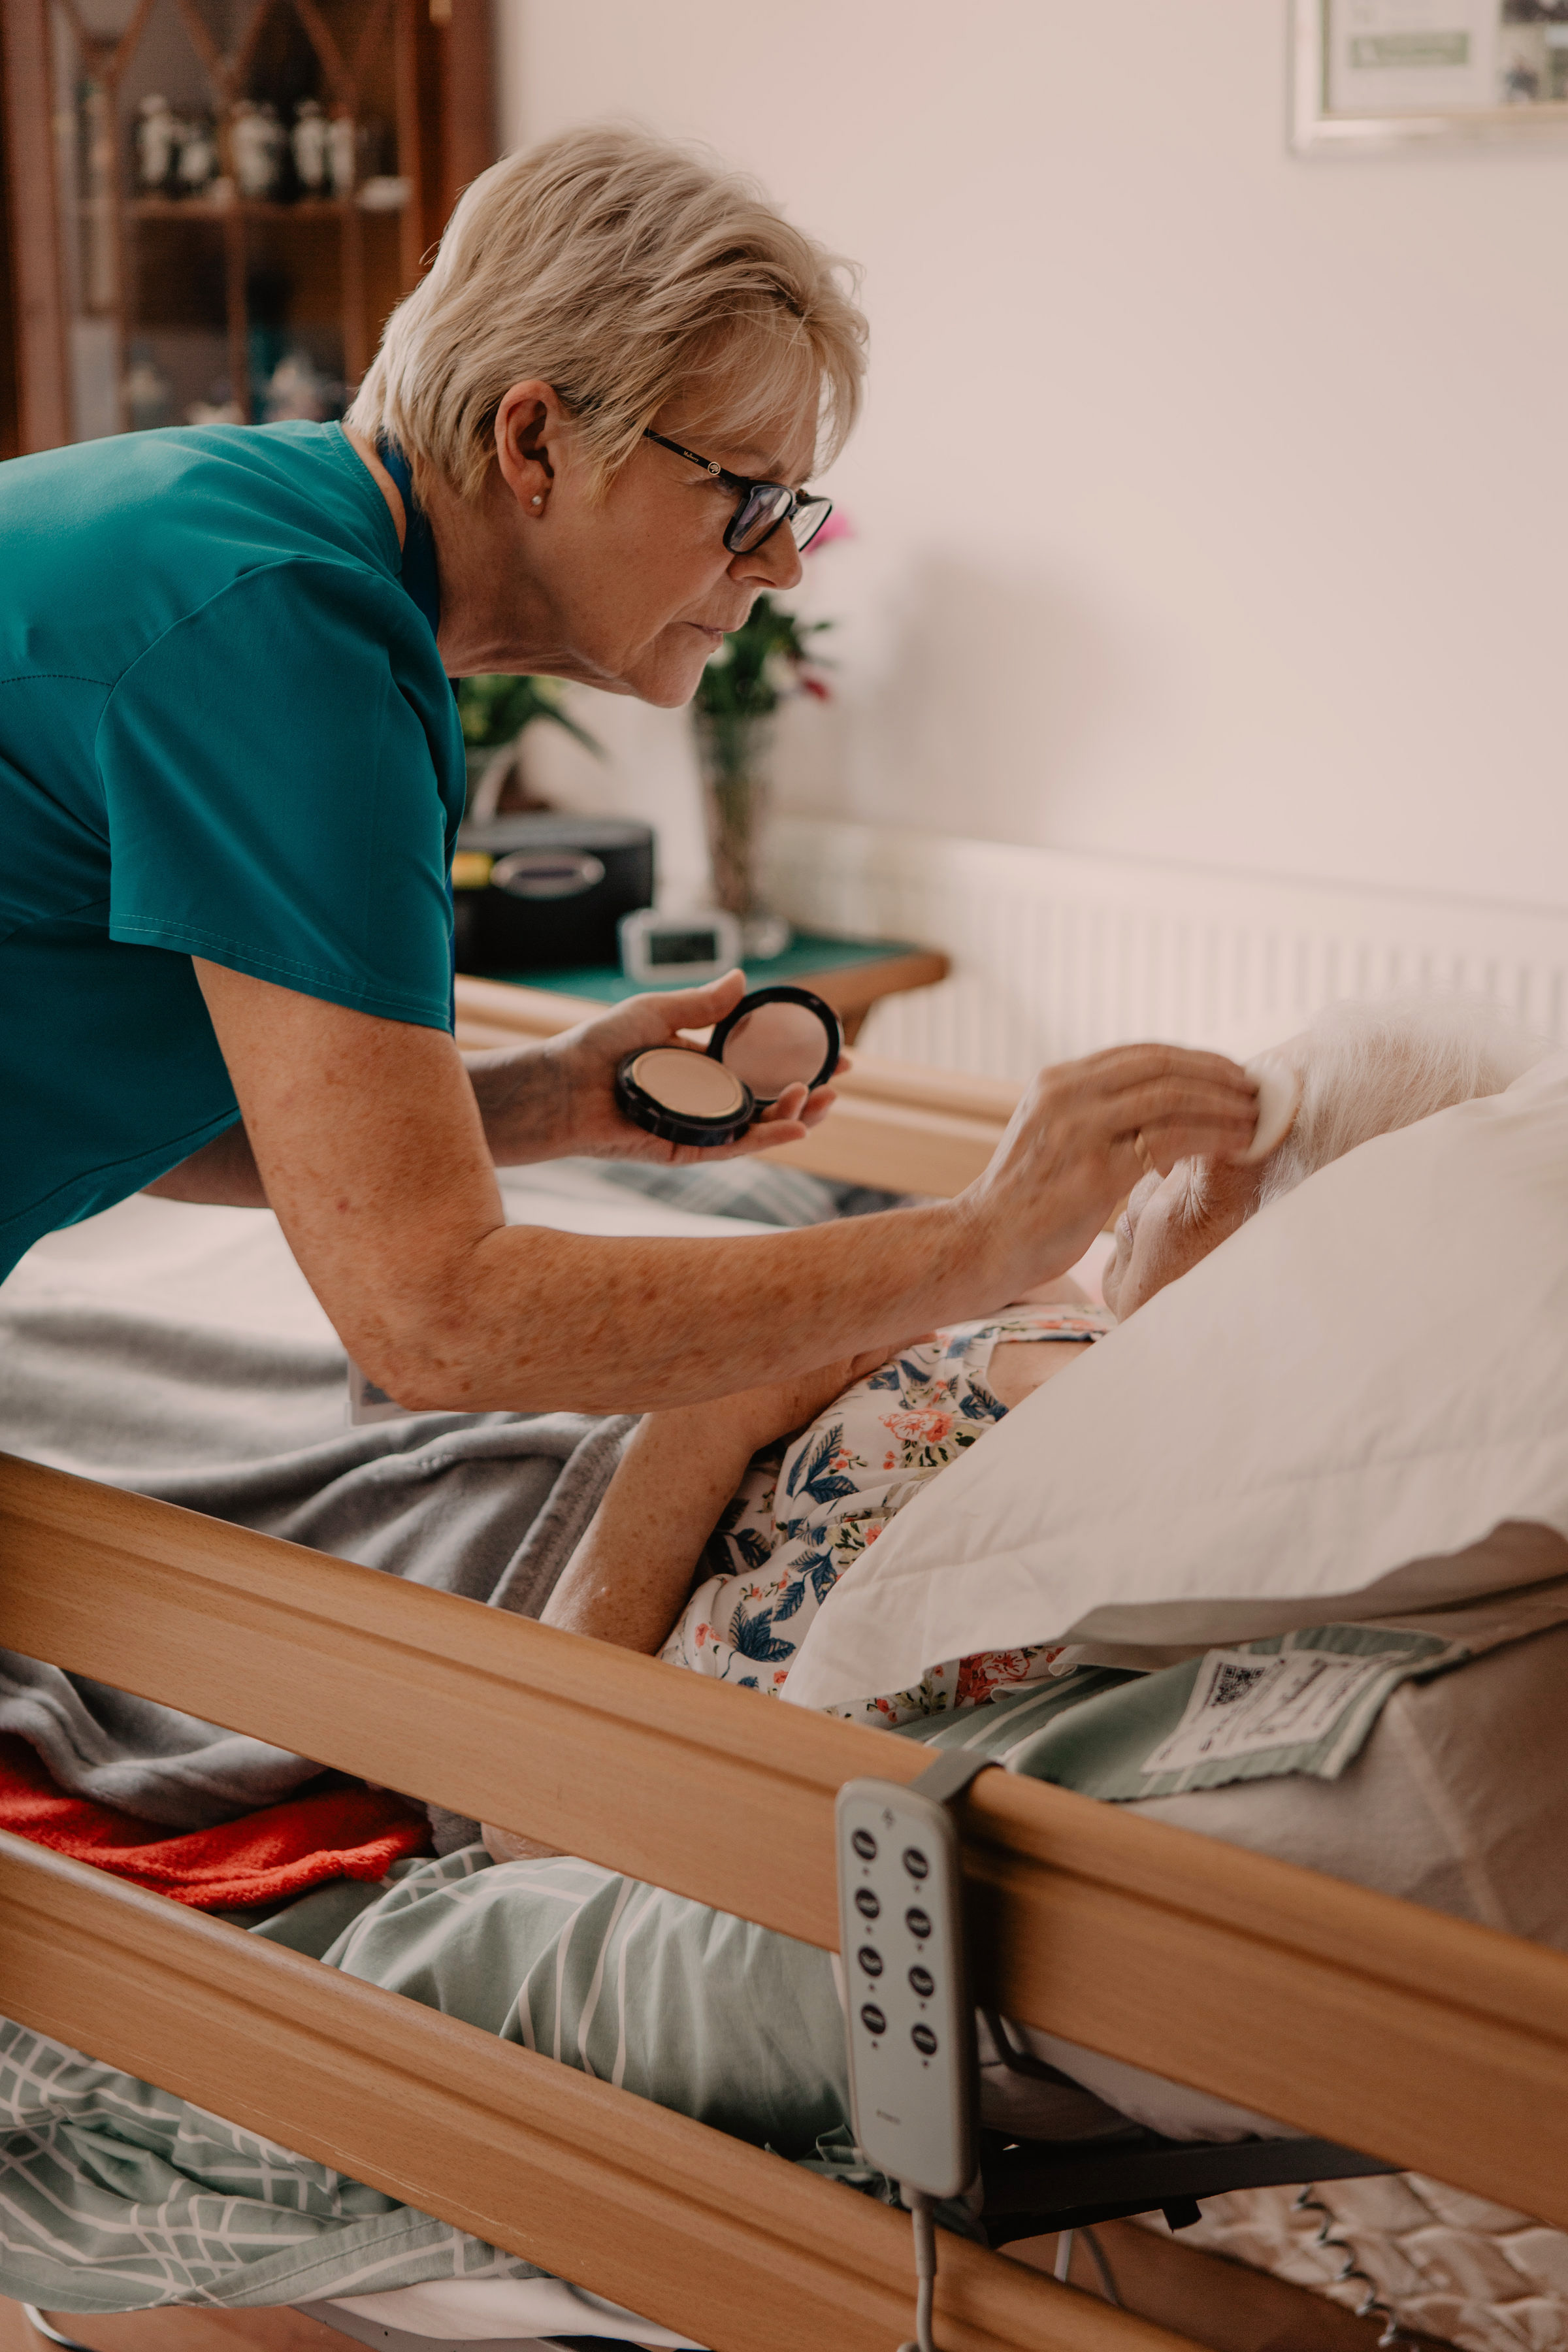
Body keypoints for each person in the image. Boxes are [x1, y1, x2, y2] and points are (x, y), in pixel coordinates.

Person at [0, 124, 1258, 1414]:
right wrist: (980, 1244)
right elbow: (440, 1324)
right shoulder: (290, 656)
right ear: (535, 441)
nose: (781, 567)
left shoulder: (252, 531)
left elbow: (128, 1105)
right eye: (747, 498)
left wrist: (538, 1098)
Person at [485, 992, 1545, 1844]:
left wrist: (721, 1397)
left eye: (1215, 1148)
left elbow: (538, 1803)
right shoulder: (1096, 1340)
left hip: (536, 1533)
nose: (1147, 1166)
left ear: (1291, 1261)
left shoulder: (1046, 1511)